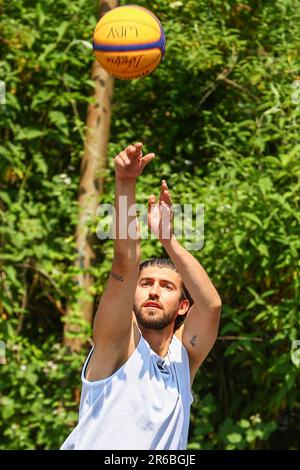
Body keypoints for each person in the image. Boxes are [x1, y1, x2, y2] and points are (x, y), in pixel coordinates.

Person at [60, 143, 221, 450]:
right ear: (132, 291)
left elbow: (211, 305)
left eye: (168, 286)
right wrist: (125, 183)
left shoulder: (183, 360)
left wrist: (168, 240)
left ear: (184, 306)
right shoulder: (117, 344)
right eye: (146, 283)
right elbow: (126, 262)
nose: (154, 291)